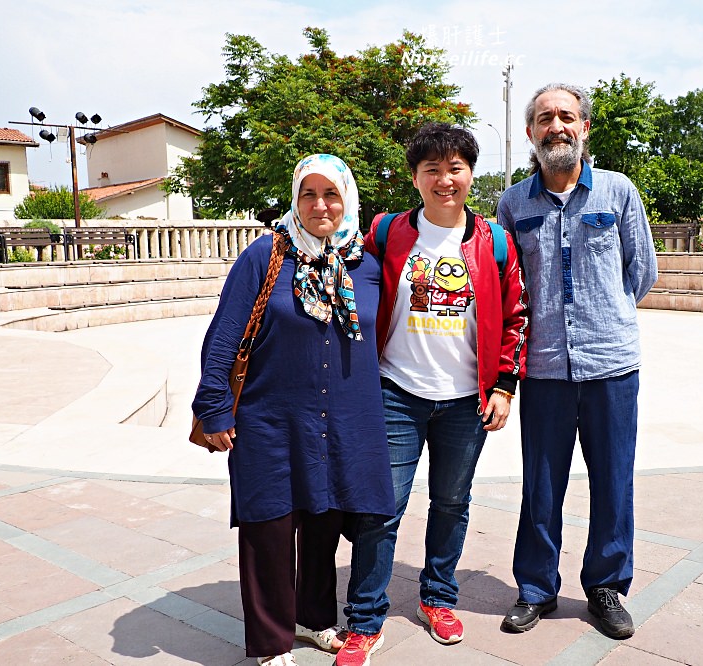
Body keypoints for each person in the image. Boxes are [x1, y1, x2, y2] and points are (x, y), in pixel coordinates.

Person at [335, 122, 529, 666]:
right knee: (381, 509)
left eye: (455, 168)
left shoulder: (494, 243)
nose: (445, 180)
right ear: (415, 178)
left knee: (451, 503)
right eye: (432, 170)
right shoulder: (387, 231)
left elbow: (516, 316)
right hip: (395, 391)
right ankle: (366, 619)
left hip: (467, 399)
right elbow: (335, 267)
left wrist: (504, 387)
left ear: (471, 173)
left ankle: (437, 597)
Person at [192, 154, 395, 666]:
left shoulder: (364, 263)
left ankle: (313, 619)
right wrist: (215, 407)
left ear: (347, 198)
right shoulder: (266, 256)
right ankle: (269, 642)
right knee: (269, 528)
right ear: (295, 200)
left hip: (342, 422)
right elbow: (224, 337)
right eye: (310, 194)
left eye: (332, 194)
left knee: (323, 524)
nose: (321, 204)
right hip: (270, 421)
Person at [496, 83, 657, 640]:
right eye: (545, 118)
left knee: (614, 481)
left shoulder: (617, 192)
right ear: (530, 133)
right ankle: (536, 588)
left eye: (567, 116)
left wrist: (603, 316)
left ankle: (606, 586)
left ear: (584, 127)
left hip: (612, 365)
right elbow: (509, 286)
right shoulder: (514, 203)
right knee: (541, 485)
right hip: (543, 370)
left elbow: (641, 273)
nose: (556, 126)